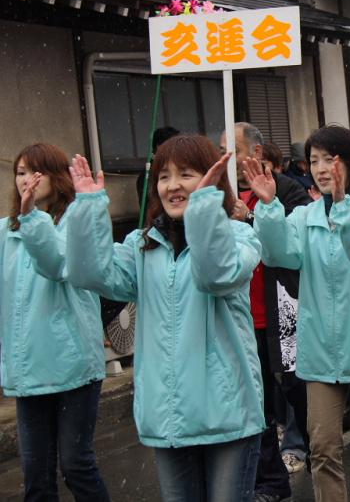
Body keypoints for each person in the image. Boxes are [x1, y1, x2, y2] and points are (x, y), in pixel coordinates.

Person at [66, 138, 265, 502]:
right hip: (168, 414)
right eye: (164, 176)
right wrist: (88, 209)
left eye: (186, 174)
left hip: (227, 413)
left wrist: (204, 210)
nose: (172, 185)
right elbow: (88, 273)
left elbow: (215, 274)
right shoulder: (143, 245)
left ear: (210, 178)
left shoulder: (239, 235)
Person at [245, 125, 350, 502]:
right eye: (314, 160)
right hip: (319, 348)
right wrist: (268, 208)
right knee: (323, 449)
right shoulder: (303, 216)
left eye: (329, 159)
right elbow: (277, 255)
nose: (321, 168)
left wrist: (344, 205)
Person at [1, 143, 110, 501]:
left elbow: (56, 264)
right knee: (36, 476)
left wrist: (31, 217)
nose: (25, 181)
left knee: (76, 465)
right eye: (19, 172)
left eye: (35, 172)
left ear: (55, 177)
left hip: (73, 366)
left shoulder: (74, 222)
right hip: (28, 368)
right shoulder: (5, 231)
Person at [227, 123, 311, 500]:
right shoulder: (219, 194)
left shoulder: (291, 190)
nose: (224, 155)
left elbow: (294, 244)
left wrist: (249, 219)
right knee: (254, 398)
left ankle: (313, 445)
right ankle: (270, 478)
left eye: (233, 147)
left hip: (284, 305)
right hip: (241, 312)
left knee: (296, 387)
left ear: (256, 153)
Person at [138, 126, 180, 207]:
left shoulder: (175, 165)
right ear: (159, 146)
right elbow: (150, 205)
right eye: (173, 144)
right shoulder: (149, 173)